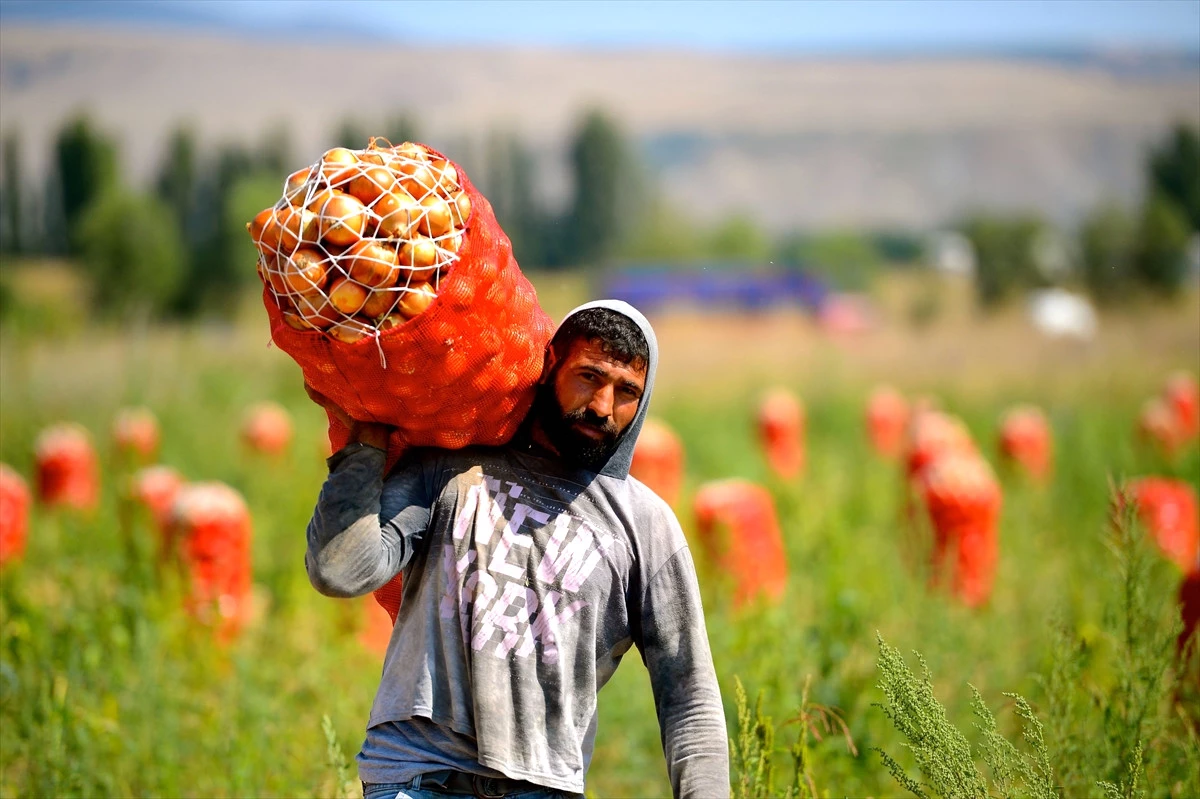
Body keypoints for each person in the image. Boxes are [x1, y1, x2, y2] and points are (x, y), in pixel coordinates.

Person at [305, 300, 730, 799]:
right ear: (550, 367)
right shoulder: (452, 469)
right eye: (589, 377)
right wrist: (366, 444)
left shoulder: (645, 527)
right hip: (416, 774)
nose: (601, 406)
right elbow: (339, 571)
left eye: (626, 391)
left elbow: (688, 695)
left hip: (541, 786)